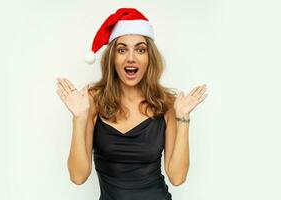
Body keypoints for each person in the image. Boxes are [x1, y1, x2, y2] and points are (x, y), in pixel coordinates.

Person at [56, 8, 208, 200]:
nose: (131, 58)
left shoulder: (167, 104)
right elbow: (78, 177)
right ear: (113, 58)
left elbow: (177, 178)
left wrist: (183, 118)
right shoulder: (92, 101)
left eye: (140, 49)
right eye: (122, 50)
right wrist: (79, 118)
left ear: (149, 58)